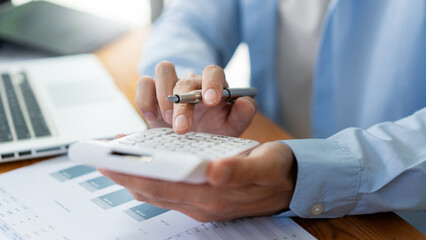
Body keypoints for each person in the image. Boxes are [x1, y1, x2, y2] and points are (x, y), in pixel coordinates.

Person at [100, 0, 426, 225]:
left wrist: (302, 175)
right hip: (264, 163)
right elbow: (189, 18)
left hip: (403, 217)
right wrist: (185, 86)